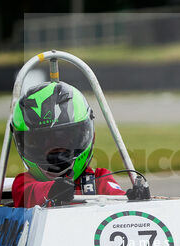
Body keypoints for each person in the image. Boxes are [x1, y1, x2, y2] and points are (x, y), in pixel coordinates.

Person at [10, 80, 143, 207]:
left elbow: (118, 199)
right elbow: (31, 194)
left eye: (63, 139)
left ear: (84, 135)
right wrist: (53, 190)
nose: (55, 152)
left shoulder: (99, 179)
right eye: (42, 142)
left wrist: (133, 200)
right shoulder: (23, 183)